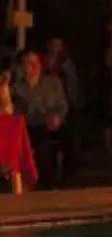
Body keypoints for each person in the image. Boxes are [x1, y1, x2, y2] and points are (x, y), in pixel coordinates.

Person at [11, 50, 70, 188]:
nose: (34, 66)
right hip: (29, 126)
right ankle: (38, 182)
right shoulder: (16, 88)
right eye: (29, 63)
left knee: (68, 139)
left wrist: (57, 117)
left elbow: (63, 106)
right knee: (37, 141)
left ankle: (59, 181)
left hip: (51, 124)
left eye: (36, 62)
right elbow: (15, 112)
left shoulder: (53, 83)